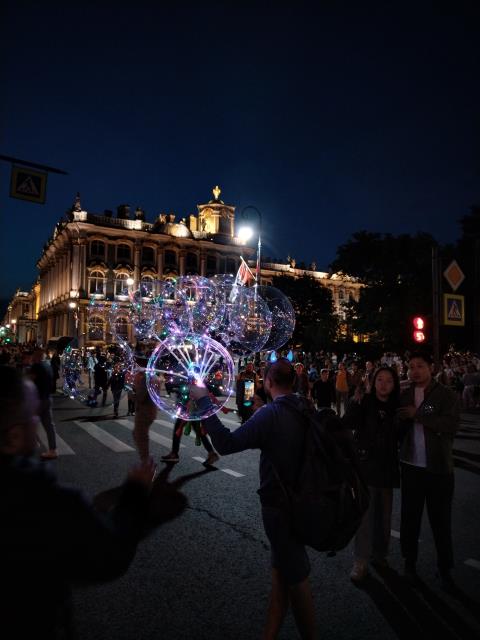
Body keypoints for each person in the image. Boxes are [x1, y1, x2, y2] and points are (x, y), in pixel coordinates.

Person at [0, 365, 156, 639]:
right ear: (13, 437)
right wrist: (135, 495)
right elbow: (109, 556)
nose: (37, 421)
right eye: (32, 414)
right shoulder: (47, 502)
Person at [190, 359, 316, 640]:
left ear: (268, 382)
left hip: (279, 507)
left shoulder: (271, 414)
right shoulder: (305, 406)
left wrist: (204, 402)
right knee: (281, 577)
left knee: (297, 580)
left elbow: (225, 444)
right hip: (303, 500)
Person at [397, 351, 460, 592]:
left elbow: (451, 424)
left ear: (431, 368)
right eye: (411, 366)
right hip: (411, 466)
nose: (415, 371)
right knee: (409, 519)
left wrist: (419, 415)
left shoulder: (445, 394)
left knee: (441, 521)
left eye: (420, 366)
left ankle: (445, 570)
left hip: (439, 469)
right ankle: (409, 564)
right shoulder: (404, 394)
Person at [342, 366, 400, 582]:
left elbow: (402, 432)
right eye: (380, 380)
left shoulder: (397, 406)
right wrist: (355, 401)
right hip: (366, 466)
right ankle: (361, 561)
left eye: (389, 381)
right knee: (365, 516)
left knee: (384, 517)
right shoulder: (364, 402)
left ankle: (380, 555)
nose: (383, 384)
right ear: (373, 382)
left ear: (394, 385)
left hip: (387, 467)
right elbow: (348, 421)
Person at [29, 347, 58, 460]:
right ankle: (53, 450)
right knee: (49, 425)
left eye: (33, 355)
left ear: (36, 355)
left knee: (28, 420)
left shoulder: (36, 366)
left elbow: (29, 381)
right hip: (47, 398)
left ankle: (32, 442)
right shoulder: (48, 365)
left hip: (38, 400)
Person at [133, 358, 158, 462]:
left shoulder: (146, 379)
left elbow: (141, 397)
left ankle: (146, 461)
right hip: (151, 411)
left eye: (137, 365)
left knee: (141, 436)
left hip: (144, 411)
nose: (136, 367)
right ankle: (146, 459)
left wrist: (132, 394)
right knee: (139, 434)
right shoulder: (154, 376)